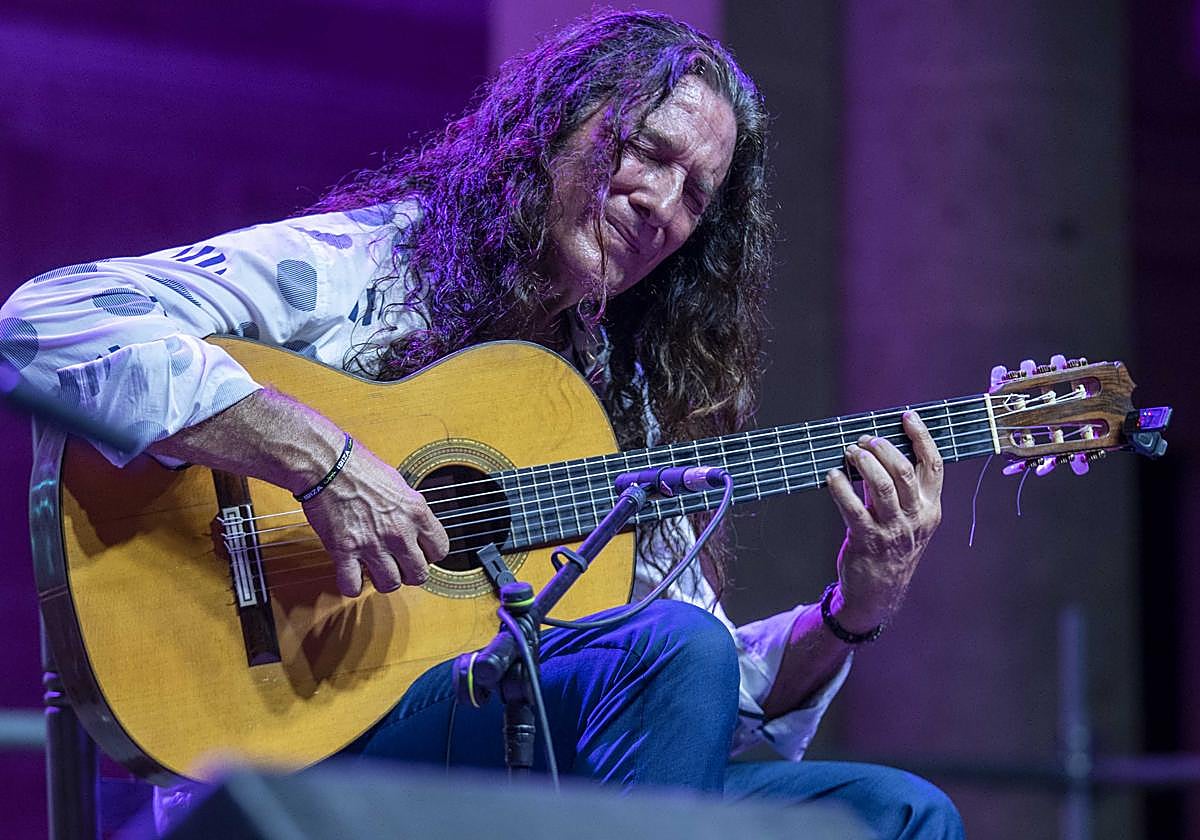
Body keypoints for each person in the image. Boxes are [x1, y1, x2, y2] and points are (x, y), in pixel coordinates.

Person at [1, 10, 962, 838]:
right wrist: (323, 462)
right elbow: (46, 323)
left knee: (900, 812)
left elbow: (700, 707)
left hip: (508, 753)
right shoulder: (366, 267)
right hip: (305, 730)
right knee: (675, 646)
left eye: (696, 196)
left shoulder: (617, 403)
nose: (662, 205)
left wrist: (849, 614)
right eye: (647, 151)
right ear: (554, 126)